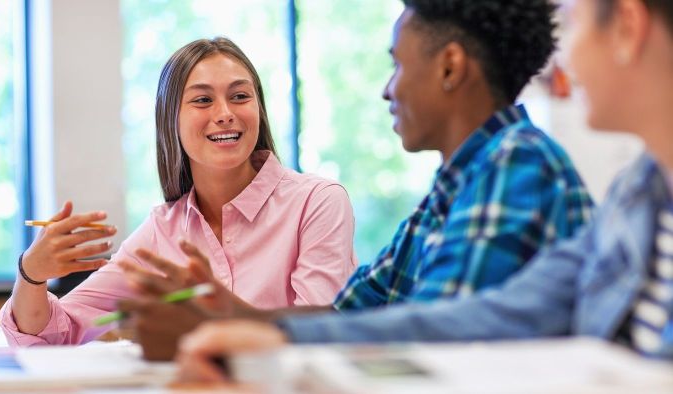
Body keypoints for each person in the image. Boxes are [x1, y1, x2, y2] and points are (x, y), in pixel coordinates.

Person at [173, 0, 673, 381]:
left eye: (579, 21)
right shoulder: (637, 193)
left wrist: (260, 340)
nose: (388, 89)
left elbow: (446, 337)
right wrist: (252, 328)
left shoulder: (517, 164)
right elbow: (363, 311)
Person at [0, 37, 357, 346]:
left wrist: (208, 325)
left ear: (258, 110)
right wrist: (31, 271)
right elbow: (57, 334)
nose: (225, 113)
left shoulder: (318, 202)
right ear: (171, 119)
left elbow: (317, 335)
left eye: (240, 96)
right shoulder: (162, 231)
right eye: (202, 100)